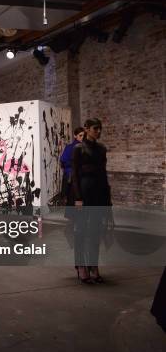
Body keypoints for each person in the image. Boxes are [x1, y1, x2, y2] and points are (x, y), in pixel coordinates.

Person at [71, 118, 111, 284]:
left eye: (100, 129)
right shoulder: (78, 149)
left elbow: (103, 173)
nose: (98, 132)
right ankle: (81, 266)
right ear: (87, 129)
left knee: (95, 231)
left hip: (99, 194)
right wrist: (78, 198)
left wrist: (107, 198)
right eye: (95, 129)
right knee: (80, 231)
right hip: (84, 194)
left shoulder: (102, 149)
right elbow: (74, 175)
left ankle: (93, 265)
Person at [60, 127, 85, 208]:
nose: (82, 137)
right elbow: (63, 159)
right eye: (80, 135)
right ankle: (74, 218)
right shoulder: (70, 147)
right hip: (72, 176)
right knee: (73, 198)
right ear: (75, 136)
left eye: (83, 136)